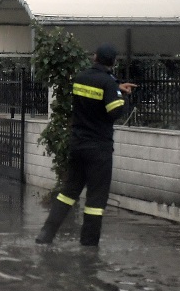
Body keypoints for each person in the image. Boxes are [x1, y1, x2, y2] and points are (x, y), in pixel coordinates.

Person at [35, 44, 136, 246]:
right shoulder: (107, 83)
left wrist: (115, 88)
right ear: (113, 62)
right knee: (96, 201)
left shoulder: (80, 78)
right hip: (99, 149)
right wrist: (122, 96)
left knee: (68, 192)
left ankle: (45, 235)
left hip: (77, 144)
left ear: (94, 57)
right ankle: (89, 247)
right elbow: (114, 112)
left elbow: (93, 98)